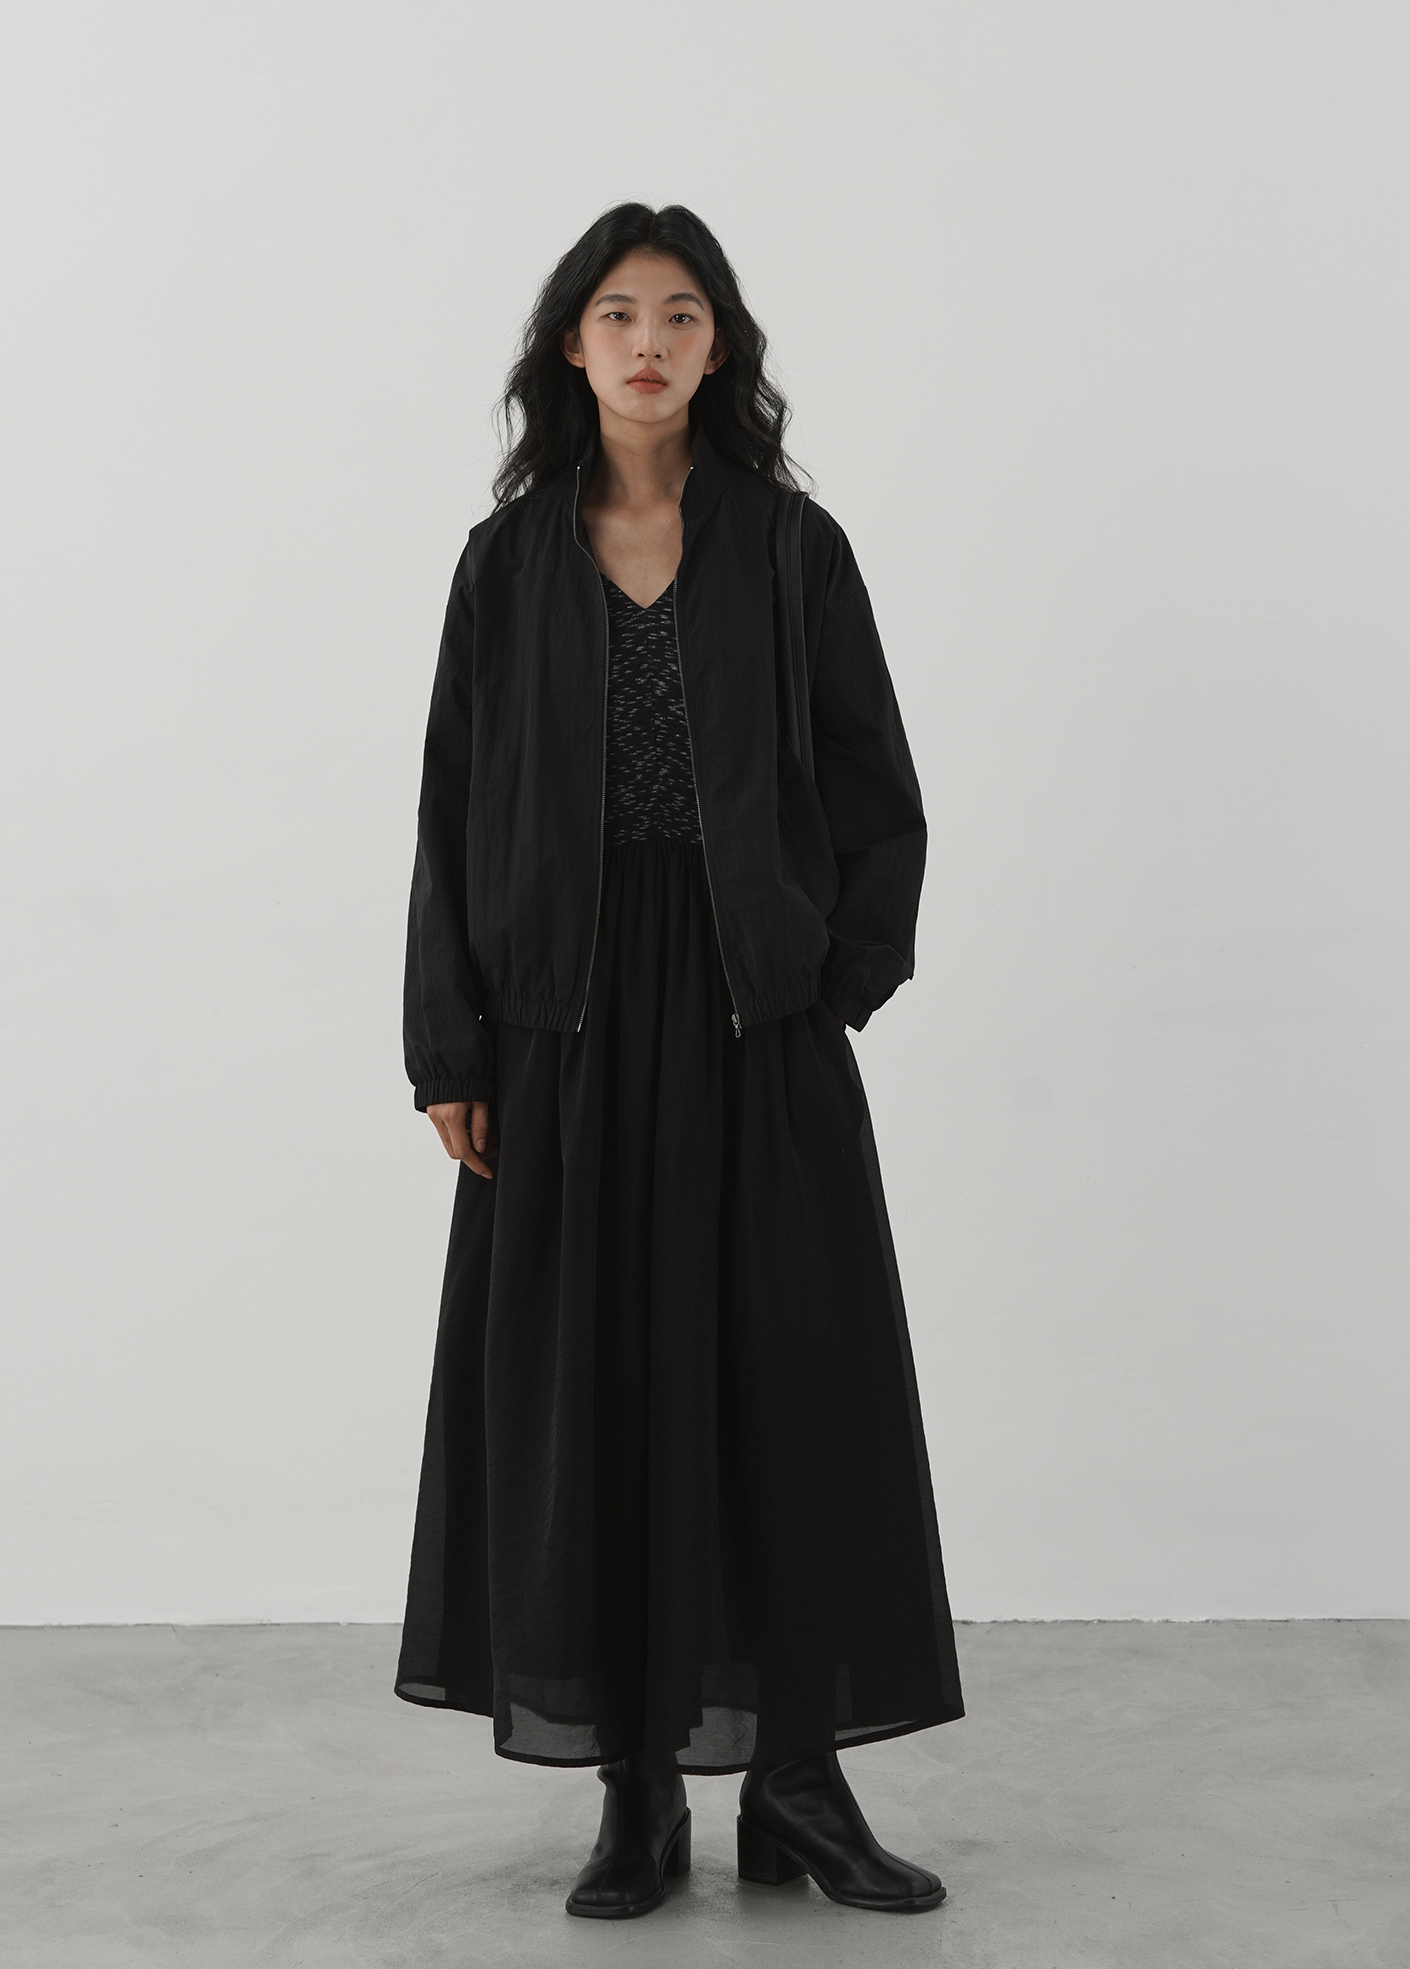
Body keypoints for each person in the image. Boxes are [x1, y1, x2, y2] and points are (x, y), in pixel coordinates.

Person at [394, 201, 964, 1920]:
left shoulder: (792, 549)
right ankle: (634, 1786)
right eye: (618, 314)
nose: (649, 342)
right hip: (561, 1028)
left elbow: (876, 784)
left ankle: (796, 1781)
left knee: (790, 1385)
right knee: (599, 1399)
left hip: (750, 1018)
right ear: (571, 347)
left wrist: (831, 977)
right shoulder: (506, 564)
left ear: (721, 350)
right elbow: (448, 814)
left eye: (683, 315)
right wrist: (449, 1042)